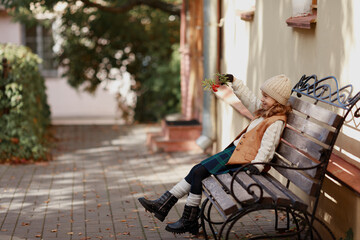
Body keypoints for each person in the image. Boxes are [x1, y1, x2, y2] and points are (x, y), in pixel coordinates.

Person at [138, 74, 293, 235]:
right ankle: (165, 205)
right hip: (234, 153)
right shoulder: (266, 112)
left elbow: (269, 146)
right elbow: (249, 99)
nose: (262, 99)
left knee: (198, 172)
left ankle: (185, 217)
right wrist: (234, 82)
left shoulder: (276, 121)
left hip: (241, 159)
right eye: (263, 95)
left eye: (266, 97)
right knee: (197, 170)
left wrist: (258, 165)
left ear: (277, 100)